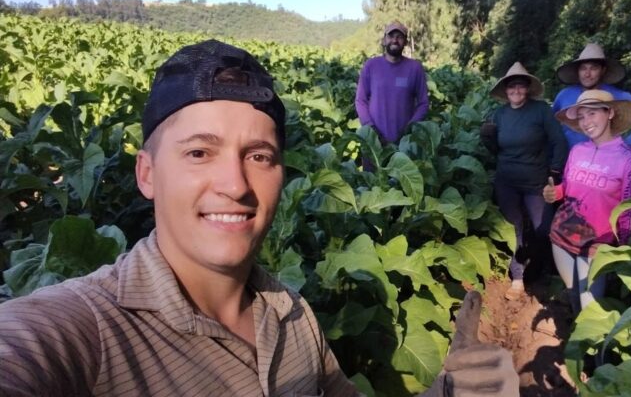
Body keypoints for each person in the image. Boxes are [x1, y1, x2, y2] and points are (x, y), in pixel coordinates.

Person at [0, 40, 519, 396]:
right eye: (200, 152)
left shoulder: (293, 315)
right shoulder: (85, 332)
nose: (236, 183)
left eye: (260, 156)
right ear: (147, 173)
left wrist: (447, 390)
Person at [543, 89, 631, 314]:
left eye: (592, 113)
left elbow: (630, 211)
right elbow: (568, 189)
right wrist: (554, 192)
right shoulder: (577, 151)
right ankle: (575, 341)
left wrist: (621, 252)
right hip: (562, 236)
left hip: (596, 246)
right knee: (574, 297)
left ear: (609, 113)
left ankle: (594, 350)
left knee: (592, 312)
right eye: (581, 116)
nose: (586, 121)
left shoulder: (629, 159)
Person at [480, 62, 568, 297]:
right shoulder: (499, 114)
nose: (516, 90)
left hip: (536, 181)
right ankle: (517, 277)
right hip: (506, 179)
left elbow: (558, 141)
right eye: (511, 86)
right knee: (513, 228)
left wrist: (556, 171)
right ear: (505, 90)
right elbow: (495, 150)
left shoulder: (540, 111)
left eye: (520, 86)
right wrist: (487, 138)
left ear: (527, 88)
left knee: (543, 229)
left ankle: (545, 271)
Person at [552, 43, 631, 148]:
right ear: (578, 71)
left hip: (604, 163)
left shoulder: (616, 97)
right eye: (583, 68)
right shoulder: (564, 95)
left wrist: (625, 145)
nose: (587, 74)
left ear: (603, 70)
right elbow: (551, 125)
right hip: (570, 162)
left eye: (593, 68)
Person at [355, 21, 429, 144]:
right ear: (384, 40)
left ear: (405, 42)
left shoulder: (415, 68)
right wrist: (371, 129)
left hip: (404, 143)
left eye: (399, 37)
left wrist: (409, 129)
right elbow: (360, 100)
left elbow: (424, 104)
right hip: (374, 143)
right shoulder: (371, 66)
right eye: (391, 36)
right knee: (374, 164)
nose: (395, 40)